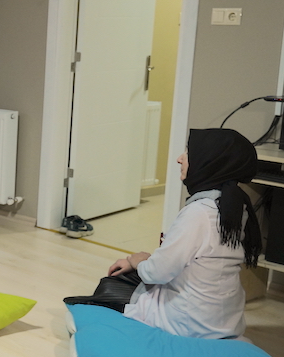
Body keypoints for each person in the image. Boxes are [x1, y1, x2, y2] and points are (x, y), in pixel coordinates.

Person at [64, 128, 262, 340]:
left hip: (190, 325)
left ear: (209, 162)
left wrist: (137, 260)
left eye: (188, 153)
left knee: (110, 284)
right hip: (224, 321)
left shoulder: (199, 214)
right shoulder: (235, 207)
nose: (179, 159)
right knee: (133, 277)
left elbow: (156, 273)